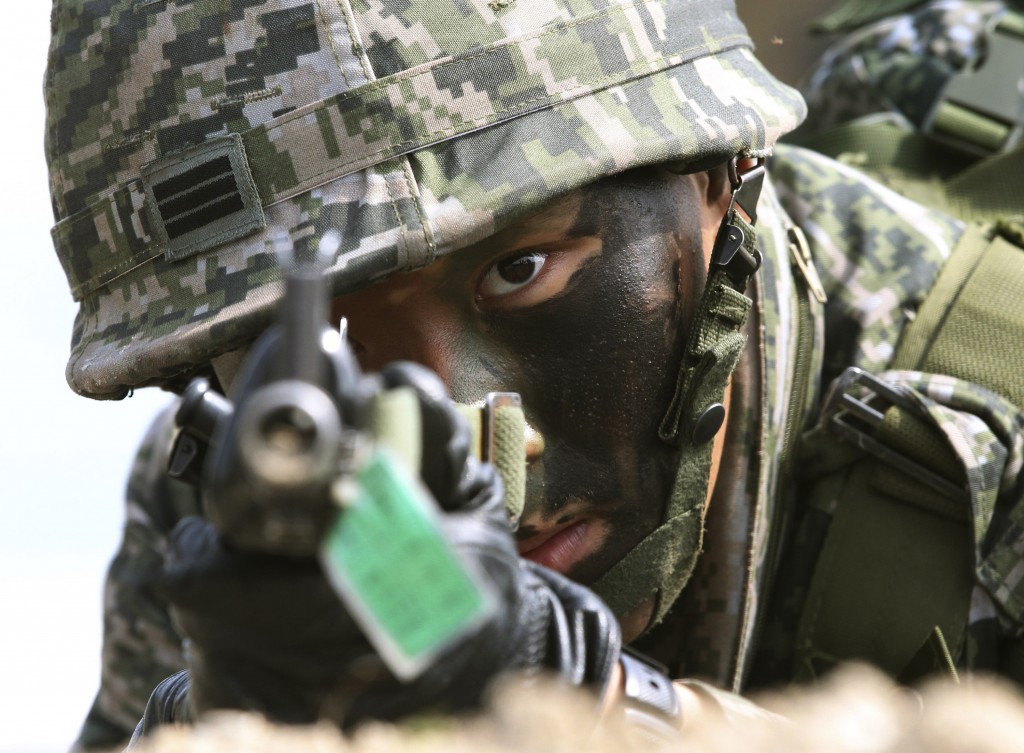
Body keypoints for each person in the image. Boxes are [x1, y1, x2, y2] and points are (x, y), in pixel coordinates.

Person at [43, 0, 1024, 751]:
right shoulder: (258, 504)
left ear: (725, 179)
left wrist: (583, 698)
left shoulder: (999, 424)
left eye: (520, 272)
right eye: (325, 342)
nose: (480, 451)